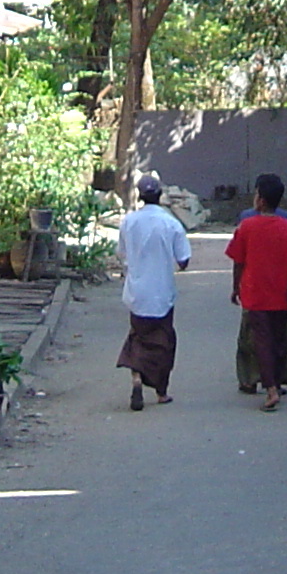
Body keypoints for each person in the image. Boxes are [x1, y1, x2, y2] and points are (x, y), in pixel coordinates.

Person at [228, 172, 287, 412]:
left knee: (261, 340)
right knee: (280, 339)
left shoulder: (247, 225)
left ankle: (270, 388)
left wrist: (235, 288)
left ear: (260, 199)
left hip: (255, 292)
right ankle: (276, 381)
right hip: (280, 292)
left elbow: (238, 262)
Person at [117, 174, 189, 411]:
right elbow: (184, 259)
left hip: (137, 292)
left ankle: (136, 377)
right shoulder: (171, 223)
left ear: (140, 196)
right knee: (163, 342)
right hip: (162, 293)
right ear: (160, 196)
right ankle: (161, 392)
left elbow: (122, 253)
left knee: (138, 337)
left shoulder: (129, 222)